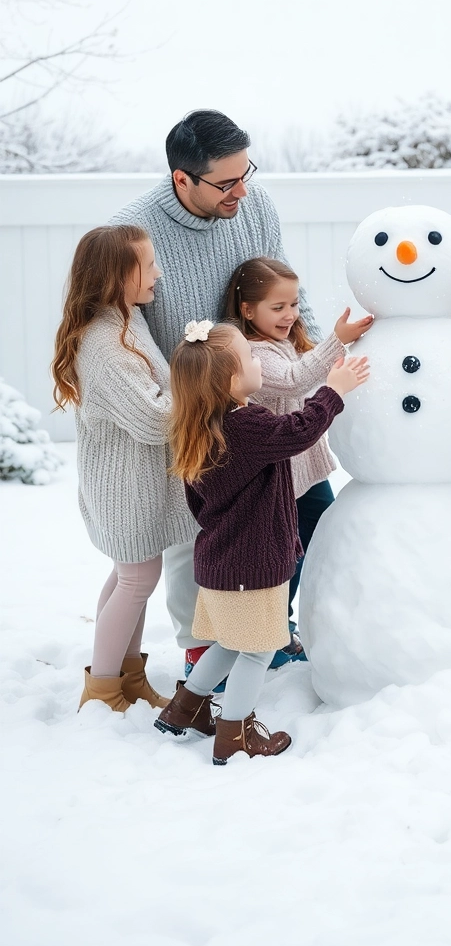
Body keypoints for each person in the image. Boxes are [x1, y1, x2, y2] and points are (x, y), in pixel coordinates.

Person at [109, 109, 321, 673]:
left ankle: (267, 629)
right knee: (194, 534)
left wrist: (313, 355)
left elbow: (285, 287)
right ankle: (200, 650)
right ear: (183, 179)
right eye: (226, 183)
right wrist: (177, 406)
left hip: (258, 394)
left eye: (246, 172)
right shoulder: (135, 233)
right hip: (193, 410)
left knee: (285, 516)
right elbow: (127, 330)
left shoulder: (255, 204)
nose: (242, 191)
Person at [154, 321, 368, 763]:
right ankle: (235, 735)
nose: (258, 361)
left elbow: (198, 504)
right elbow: (298, 432)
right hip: (252, 567)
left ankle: (186, 707)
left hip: (219, 562)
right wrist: (334, 391)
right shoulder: (245, 425)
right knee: (257, 650)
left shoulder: (199, 430)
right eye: (250, 358)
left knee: (231, 642)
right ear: (233, 381)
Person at [51, 226, 197, 713]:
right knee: (136, 580)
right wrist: (201, 391)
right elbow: (155, 419)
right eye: (148, 265)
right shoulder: (104, 344)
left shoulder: (127, 319)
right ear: (117, 276)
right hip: (123, 487)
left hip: (135, 483)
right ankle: (103, 688)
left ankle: (128, 677)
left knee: (131, 577)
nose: (159, 272)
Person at [223, 257, 374, 663]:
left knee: (319, 536)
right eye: (278, 308)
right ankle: (271, 634)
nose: (290, 315)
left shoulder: (281, 342)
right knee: (287, 556)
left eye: (293, 304)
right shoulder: (253, 353)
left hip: (305, 469)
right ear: (247, 310)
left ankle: (286, 626)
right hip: (279, 477)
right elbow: (296, 379)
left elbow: (305, 370)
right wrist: (336, 342)